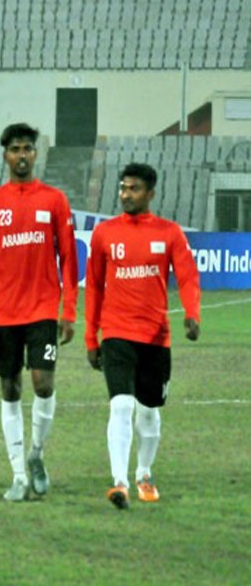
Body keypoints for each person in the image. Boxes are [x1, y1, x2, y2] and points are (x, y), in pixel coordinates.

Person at [0, 123, 78, 502]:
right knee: (10, 387)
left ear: (35, 153)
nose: (21, 155)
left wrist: (69, 310)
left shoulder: (54, 201)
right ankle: (17, 475)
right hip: (3, 312)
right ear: (5, 155)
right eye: (15, 148)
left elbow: (69, 257)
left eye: (27, 148)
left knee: (43, 383)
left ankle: (36, 455)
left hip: (44, 308)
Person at [84, 163, 201, 510]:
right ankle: (119, 481)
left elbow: (188, 277)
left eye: (134, 189)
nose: (126, 194)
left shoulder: (169, 233)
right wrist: (92, 337)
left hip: (155, 337)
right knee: (120, 407)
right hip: (117, 333)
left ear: (150, 193)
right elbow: (92, 287)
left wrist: (192, 313)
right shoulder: (105, 234)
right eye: (123, 188)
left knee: (148, 414)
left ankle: (143, 474)